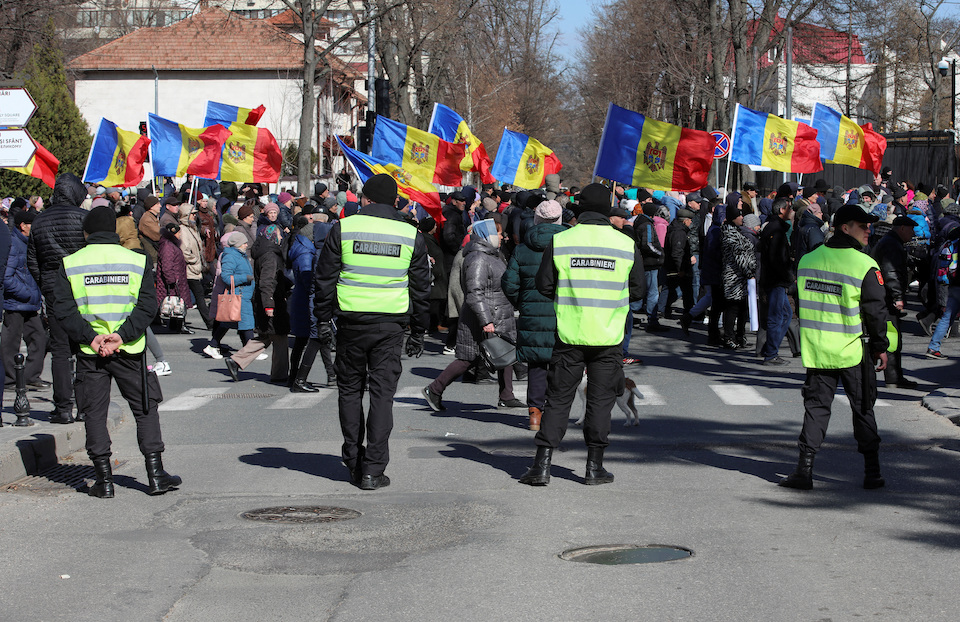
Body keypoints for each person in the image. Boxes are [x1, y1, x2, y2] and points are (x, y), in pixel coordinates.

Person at [518, 183, 645, 487]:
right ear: (607, 210)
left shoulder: (563, 241)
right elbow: (639, 289)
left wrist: (571, 296)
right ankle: (594, 467)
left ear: (580, 208)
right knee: (600, 403)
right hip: (607, 336)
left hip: (570, 334)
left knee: (559, 400)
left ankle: (542, 465)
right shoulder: (625, 244)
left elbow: (544, 284)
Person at [51, 206, 181, 498]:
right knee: (145, 409)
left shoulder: (71, 262)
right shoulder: (136, 260)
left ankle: (104, 481)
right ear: (115, 231)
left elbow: (63, 309)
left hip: (90, 350)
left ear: (86, 233)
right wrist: (121, 336)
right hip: (130, 349)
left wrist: (93, 338)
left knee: (94, 413)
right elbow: (148, 305)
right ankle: (156, 475)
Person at [314, 174, 431, 490]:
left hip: (351, 324)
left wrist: (323, 320)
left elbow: (324, 279)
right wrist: (419, 331)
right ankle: (373, 469)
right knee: (382, 396)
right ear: (395, 201)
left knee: (350, 391)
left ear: (365, 199)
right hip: (390, 326)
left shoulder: (345, 228)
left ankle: (353, 460)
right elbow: (421, 289)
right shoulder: (410, 234)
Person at [779, 205, 893, 491]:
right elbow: (876, 312)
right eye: (863, 225)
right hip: (854, 349)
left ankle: (804, 471)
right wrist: (881, 347)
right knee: (863, 408)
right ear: (845, 227)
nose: (869, 230)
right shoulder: (863, 264)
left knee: (816, 410)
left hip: (818, 350)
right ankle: (872, 472)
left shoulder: (808, 260)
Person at [422, 216, 525, 411]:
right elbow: (474, 292)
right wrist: (486, 320)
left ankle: (506, 395)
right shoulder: (478, 258)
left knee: (506, 354)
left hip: (498, 314)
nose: (501, 237)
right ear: (487, 235)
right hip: (484, 316)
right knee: (467, 358)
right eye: (498, 233)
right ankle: (434, 389)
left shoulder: (492, 255)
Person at [27, 173, 87, 424]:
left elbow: (32, 258)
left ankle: (63, 408)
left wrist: (46, 283)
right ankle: (85, 406)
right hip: (83, 289)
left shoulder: (39, 221)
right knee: (86, 347)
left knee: (60, 350)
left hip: (54, 289)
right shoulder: (84, 218)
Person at [502, 200, 566, 431]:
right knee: (560, 364)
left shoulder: (522, 248)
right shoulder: (569, 244)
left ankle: (535, 414)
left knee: (537, 366)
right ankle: (554, 414)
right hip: (564, 312)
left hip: (532, 311)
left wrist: (523, 302)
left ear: (536, 219)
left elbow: (509, 284)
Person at [224, 224, 290, 383]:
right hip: (272, 301)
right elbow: (267, 282)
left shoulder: (264, 252)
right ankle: (279, 375)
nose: (281, 238)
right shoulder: (271, 255)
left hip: (266, 300)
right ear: (273, 236)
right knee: (280, 337)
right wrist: (269, 305)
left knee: (266, 336)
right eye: (279, 235)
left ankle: (237, 360)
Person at [870, 216, 919, 389]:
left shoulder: (891, 242)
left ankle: (894, 376)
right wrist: (897, 297)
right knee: (891, 337)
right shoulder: (891, 244)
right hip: (887, 298)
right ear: (902, 228)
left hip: (884, 296)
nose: (913, 233)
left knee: (892, 337)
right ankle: (893, 377)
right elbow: (890, 271)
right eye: (911, 229)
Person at [3, 210, 47, 388]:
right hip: (16, 302)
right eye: (32, 225)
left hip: (30, 303)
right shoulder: (14, 244)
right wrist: (26, 293)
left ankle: (30, 376)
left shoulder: (29, 244)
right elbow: (7, 277)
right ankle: (10, 379)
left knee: (39, 338)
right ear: (23, 226)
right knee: (10, 343)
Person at [759, 198, 796, 365]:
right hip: (776, 280)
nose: (792, 211)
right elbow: (775, 259)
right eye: (790, 208)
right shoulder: (776, 230)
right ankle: (771, 353)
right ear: (782, 210)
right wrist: (788, 276)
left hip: (777, 279)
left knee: (786, 314)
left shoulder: (776, 228)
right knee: (777, 316)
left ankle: (770, 347)